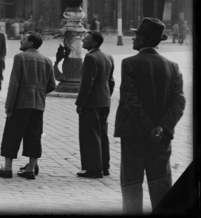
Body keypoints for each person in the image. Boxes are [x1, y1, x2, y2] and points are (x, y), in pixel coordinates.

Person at [114, 18, 185, 214]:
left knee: (132, 181)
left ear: (143, 39)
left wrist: (148, 127)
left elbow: (131, 99)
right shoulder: (173, 66)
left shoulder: (129, 63)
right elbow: (178, 102)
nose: (134, 39)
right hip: (161, 136)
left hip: (133, 133)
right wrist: (161, 127)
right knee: (160, 181)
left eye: (136, 36)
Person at [0, 32, 57, 181]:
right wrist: (38, 91)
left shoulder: (20, 58)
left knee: (12, 135)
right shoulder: (47, 60)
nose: (21, 40)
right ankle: (30, 169)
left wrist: (9, 106)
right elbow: (52, 85)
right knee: (34, 136)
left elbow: (15, 84)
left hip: (20, 103)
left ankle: (7, 168)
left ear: (31, 43)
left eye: (24, 39)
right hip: (38, 104)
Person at [75, 30, 115, 179]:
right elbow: (111, 81)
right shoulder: (108, 57)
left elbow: (87, 83)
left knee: (90, 136)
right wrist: (106, 96)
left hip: (92, 103)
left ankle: (93, 169)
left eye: (86, 39)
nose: (83, 41)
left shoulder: (91, 57)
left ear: (94, 43)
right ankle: (104, 166)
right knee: (102, 134)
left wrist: (80, 103)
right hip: (104, 101)